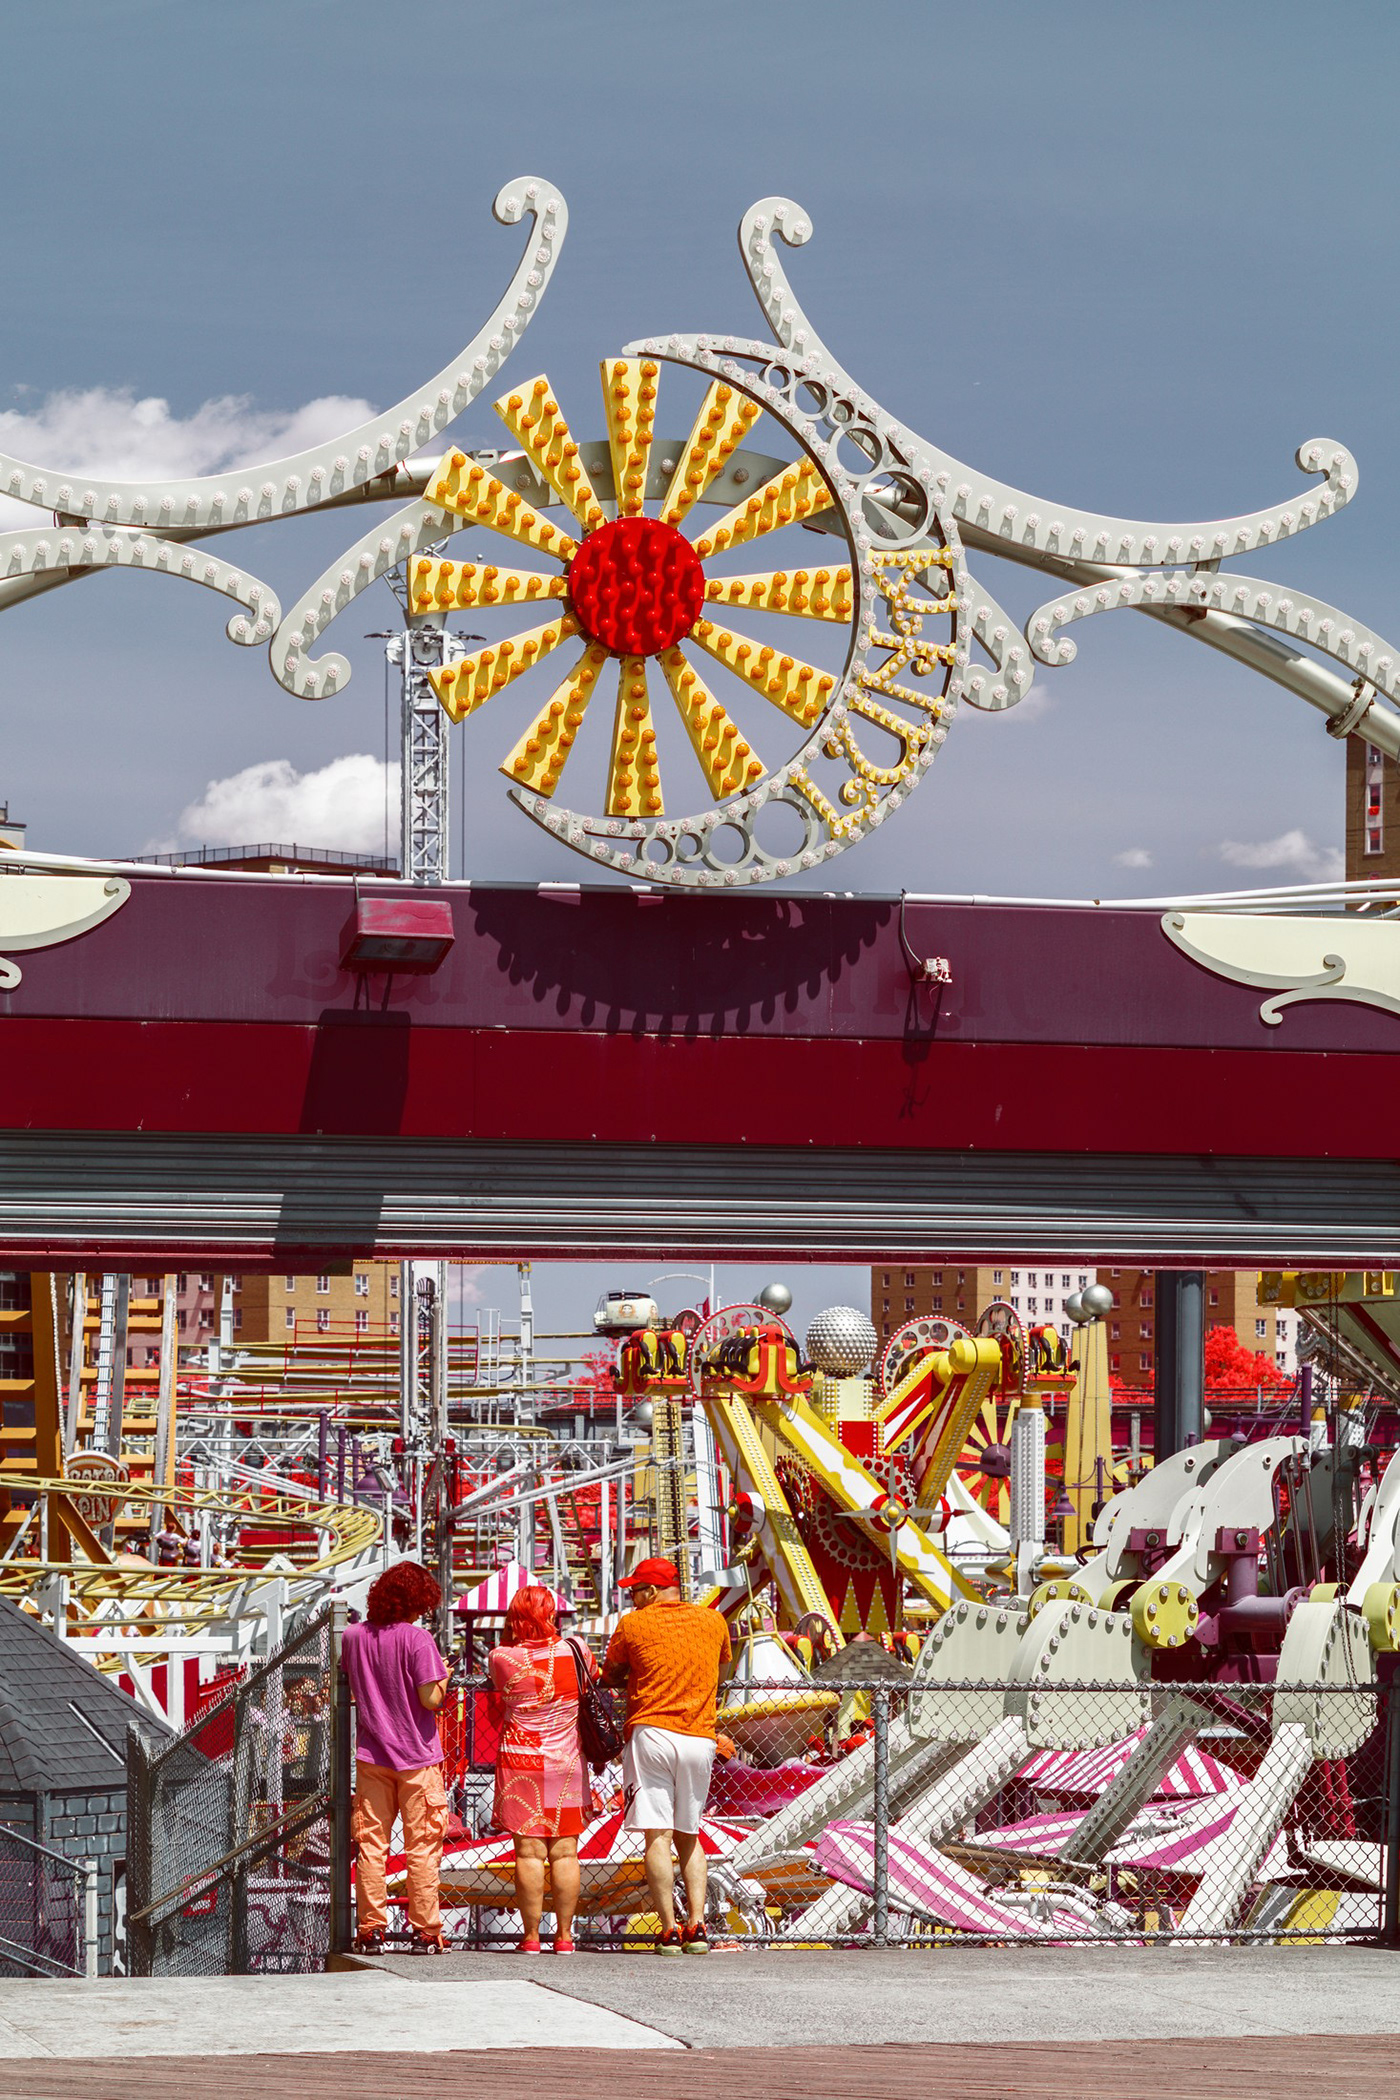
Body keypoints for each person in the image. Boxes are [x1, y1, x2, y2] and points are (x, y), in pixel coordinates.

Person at [601, 1556, 732, 1955]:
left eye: (635, 1591)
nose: (632, 1599)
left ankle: (669, 1929)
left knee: (656, 1836)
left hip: (651, 1733)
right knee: (690, 1835)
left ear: (653, 1591)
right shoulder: (714, 1621)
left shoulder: (635, 1624)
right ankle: (698, 1926)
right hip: (699, 1735)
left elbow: (610, 1673)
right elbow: (721, 1670)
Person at [341, 1559, 451, 1955]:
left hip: (373, 1755)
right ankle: (425, 1931)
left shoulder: (353, 1637)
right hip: (417, 1757)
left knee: (372, 1845)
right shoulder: (417, 1639)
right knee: (422, 1846)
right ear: (418, 1601)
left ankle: (371, 1928)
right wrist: (446, 1677)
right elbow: (430, 1699)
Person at [488, 1585, 597, 1954]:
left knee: (528, 1854)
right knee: (565, 1853)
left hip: (521, 1762)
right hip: (565, 1762)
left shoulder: (501, 1656)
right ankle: (564, 1937)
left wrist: (511, 1633)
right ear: (552, 1615)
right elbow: (590, 1678)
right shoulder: (576, 1648)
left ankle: (531, 1937)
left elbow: (501, 1692)